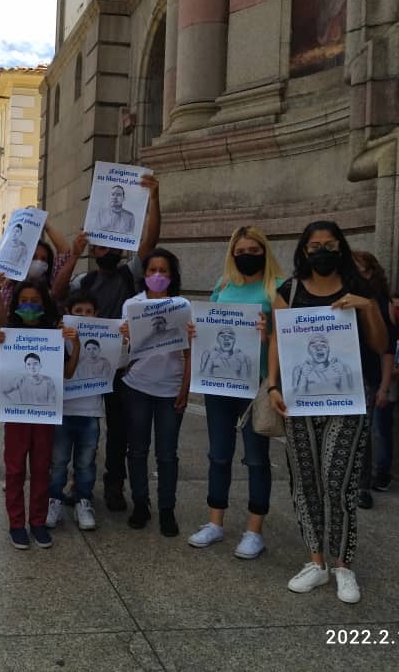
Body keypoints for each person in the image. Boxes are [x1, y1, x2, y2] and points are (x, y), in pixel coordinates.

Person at [267, 220, 387, 604]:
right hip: (300, 401)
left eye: (330, 244)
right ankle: (316, 561)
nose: (322, 251)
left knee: (338, 482)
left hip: (348, 402)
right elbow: (276, 339)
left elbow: (381, 343)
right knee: (305, 480)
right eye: (315, 245)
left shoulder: (360, 288)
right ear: (303, 251)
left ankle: (343, 565)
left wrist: (366, 307)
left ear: (342, 248)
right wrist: (272, 384)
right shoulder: (290, 290)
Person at [51, 174, 160, 512]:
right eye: (101, 247)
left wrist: (154, 199)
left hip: (123, 368)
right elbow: (57, 293)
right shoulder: (86, 279)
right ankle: (75, 481)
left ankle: (114, 484)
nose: (108, 250)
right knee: (83, 426)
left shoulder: (131, 274)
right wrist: (74, 254)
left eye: (113, 246)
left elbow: (150, 241)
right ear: (94, 251)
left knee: (119, 431)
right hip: (86, 365)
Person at [186, 226, 283, 560]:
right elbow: (213, 327)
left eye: (254, 250)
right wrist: (197, 331)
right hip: (219, 385)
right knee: (219, 454)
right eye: (240, 251)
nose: (246, 256)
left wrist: (267, 336)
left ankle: (254, 531)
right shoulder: (223, 285)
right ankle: (215, 522)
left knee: (256, 458)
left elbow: (288, 338)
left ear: (265, 251)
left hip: (254, 386)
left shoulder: (277, 287)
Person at [0, 280, 79, 548]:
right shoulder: (9, 336)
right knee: (14, 470)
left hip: (44, 420)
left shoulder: (53, 336)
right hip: (16, 418)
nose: (29, 305)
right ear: (16, 305)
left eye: (35, 301)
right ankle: (17, 524)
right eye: (24, 300)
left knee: (41, 469)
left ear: (44, 305)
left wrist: (77, 345)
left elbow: (67, 373)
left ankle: (37, 522)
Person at [120, 248, 190, 537]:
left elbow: (190, 351)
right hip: (136, 385)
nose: (157, 276)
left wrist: (185, 389)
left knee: (167, 454)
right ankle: (140, 503)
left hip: (170, 388)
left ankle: (166, 509)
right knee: (136, 449)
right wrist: (123, 337)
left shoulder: (182, 305)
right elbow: (123, 353)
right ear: (144, 274)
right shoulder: (132, 305)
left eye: (163, 271)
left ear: (171, 275)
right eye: (152, 271)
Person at [47, 292, 105, 531]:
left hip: (90, 410)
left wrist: (122, 341)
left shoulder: (104, 338)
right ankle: (54, 500)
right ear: (68, 314)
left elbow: (121, 363)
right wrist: (57, 336)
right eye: (78, 311)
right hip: (63, 409)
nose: (83, 316)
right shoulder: (59, 338)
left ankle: (83, 500)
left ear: (96, 315)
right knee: (58, 461)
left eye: (88, 312)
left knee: (86, 461)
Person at [352, 250, 398, 510]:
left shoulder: (383, 302)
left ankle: (362, 486)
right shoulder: (339, 298)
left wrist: (384, 386)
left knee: (363, 435)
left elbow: (389, 349)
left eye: (359, 268)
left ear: (371, 270)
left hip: (368, 377)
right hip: (342, 377)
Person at [0, 217, 70, 328]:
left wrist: (44, 223)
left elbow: (65, 252)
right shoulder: (9, 286)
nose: (38, 261)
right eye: (34, 257)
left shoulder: (53, 282)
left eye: (43, 259)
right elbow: (1, 323)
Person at [371, 292, 399, 492]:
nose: (395, 312)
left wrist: (385, 376)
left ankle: (382, 473)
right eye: (392, 308)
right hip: (370, 386)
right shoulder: (377, 329)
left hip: (388, 391)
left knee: (381, 431)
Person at [290, 333, 355, 394]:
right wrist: (303, 376)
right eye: (313, 346)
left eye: (323, 345)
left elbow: (351, 394)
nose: (319, 348)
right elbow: (295, 398)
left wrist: (342, 374)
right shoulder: (299, 370)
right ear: (309, 351)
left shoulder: (344, 368)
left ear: (328, 349)